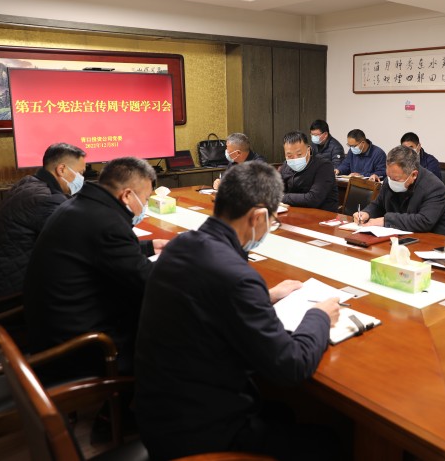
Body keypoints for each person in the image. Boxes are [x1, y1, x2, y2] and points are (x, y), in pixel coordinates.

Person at [135, 161, 340, 461]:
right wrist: (319, 316)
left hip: (159, 413)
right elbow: (291, 365)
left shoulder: (182, 245)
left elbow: (211, 300)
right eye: (272, 220)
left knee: (282, 411)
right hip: (200, 436)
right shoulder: (236, 275)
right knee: (330, 442)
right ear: (258, 217)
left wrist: (266, 296)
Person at [24, 157, 168, 376]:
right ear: (127, 195)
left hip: (49, 329)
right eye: (146, 198)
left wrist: (148, 247)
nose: (145, 204)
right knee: (170, 335)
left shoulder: (79, 205)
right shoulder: (108, 222)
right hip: (80, 348)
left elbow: (95, 249)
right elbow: (148, 282)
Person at [0, 143, 86, 300]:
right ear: (62, 169)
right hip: (9, 296)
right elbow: (75, 243)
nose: (82, 179)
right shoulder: (45, 199)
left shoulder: (28, 183)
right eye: (80, 173)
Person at [354, 145, 445, 234]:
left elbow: (424, 221)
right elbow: (379, 204)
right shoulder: (389, 180)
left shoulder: (434, 187)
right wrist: (366, 213)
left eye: (396, 179)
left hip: (427, 240)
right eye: (389, 176)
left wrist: (385, 220)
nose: (391, 181)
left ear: (413, 175)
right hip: (394, 236)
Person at [279, 130, 339, 212]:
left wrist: (283, 197)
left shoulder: (324, 165)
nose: (295, 159)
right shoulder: (286, 165)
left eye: (299, 154)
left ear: (308, 150)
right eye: (289, 156)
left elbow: (313, 199)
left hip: (322, 214)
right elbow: (275, 191)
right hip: (294, 212)